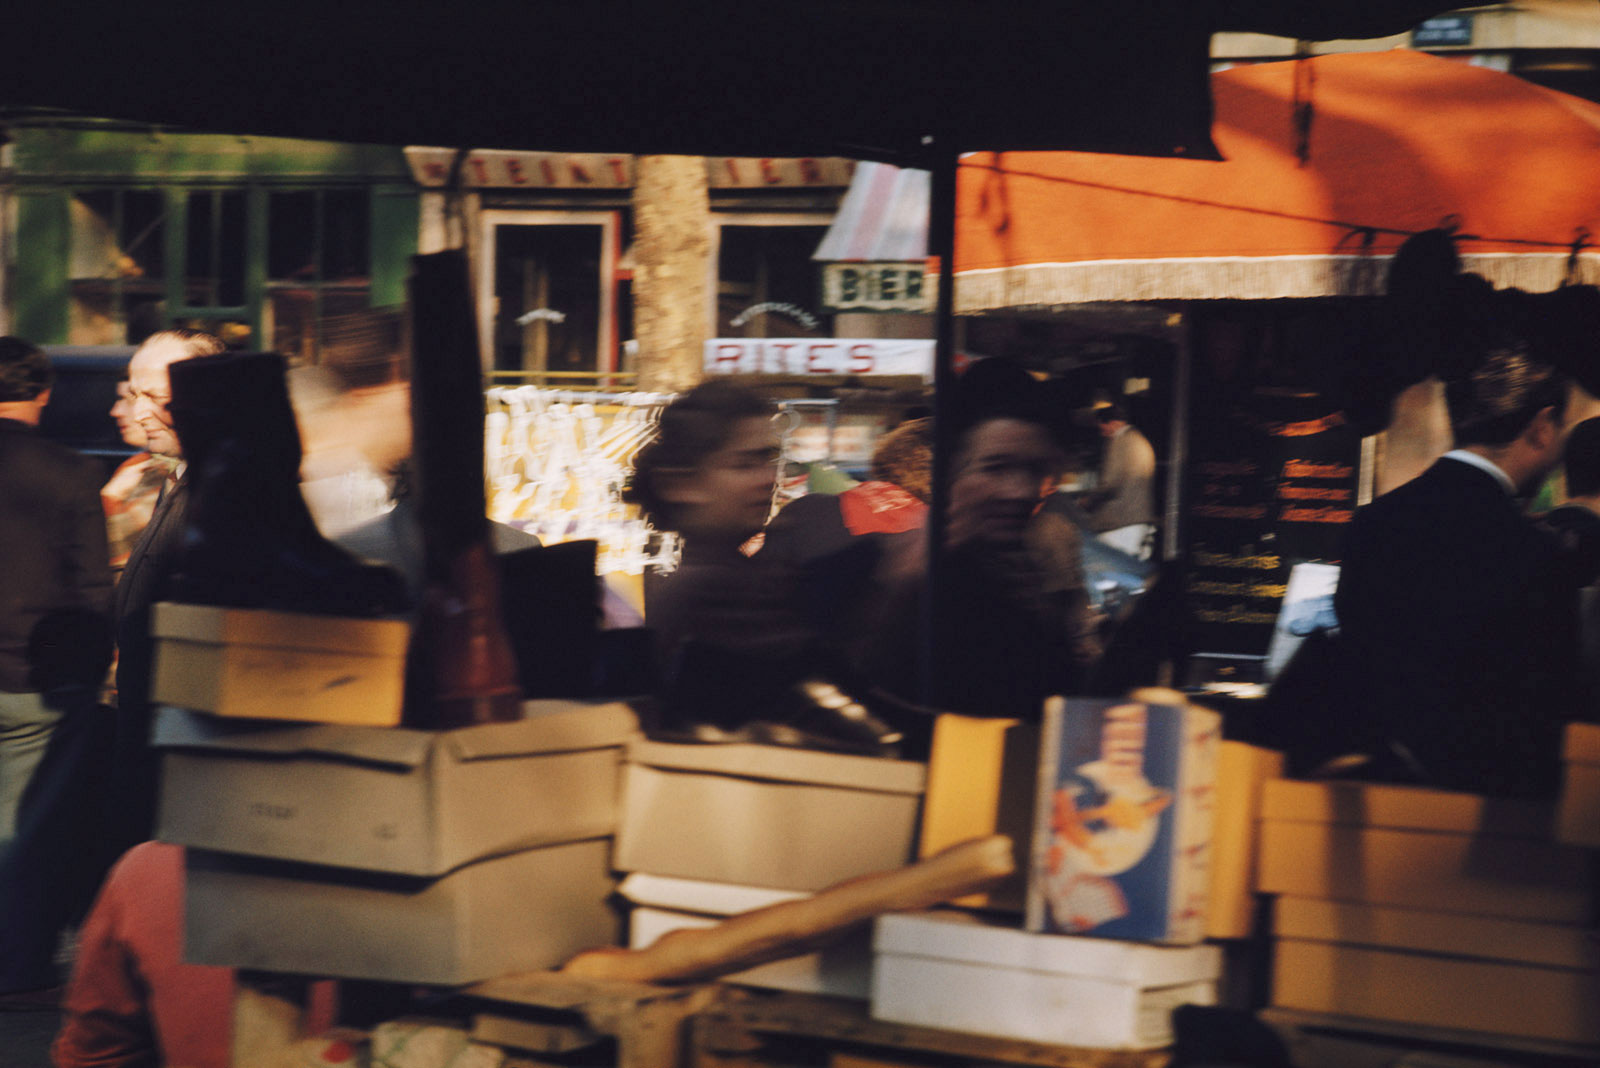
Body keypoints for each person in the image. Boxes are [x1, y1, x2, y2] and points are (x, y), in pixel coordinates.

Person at [1332, 336, 1586, 797]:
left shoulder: (1373, 524)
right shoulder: (1533, 552)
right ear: (1543, 426)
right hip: (1489, 821)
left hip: (1369, 800)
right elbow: (1547, 709)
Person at [857, 358, 1090, 722]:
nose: (1021, 491)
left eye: (1035, 470)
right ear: (950, 469)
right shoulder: (902, 570)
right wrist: (909, 582)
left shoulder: (1022, 568)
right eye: (996, 468)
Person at [0, 336, 115, 1000]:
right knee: (25, 831)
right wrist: (91, 671)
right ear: (44, 394)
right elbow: (94, 591)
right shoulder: (72, 473)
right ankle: (19, 966)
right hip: (38, 686)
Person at [104, 328, 226, 856]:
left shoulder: (224, 495)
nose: (139, 410)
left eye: (156, 395)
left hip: (181, 757)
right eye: (134, 393)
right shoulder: (174, 479)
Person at [101, 377, 172, 576]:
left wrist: (109, 498)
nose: (116, 411)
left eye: (127, 400)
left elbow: (104, 547)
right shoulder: (138, 466)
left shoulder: (166, 472)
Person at [1079, 401, 1156, 557]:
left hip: (1119, 523)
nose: (1103, 433)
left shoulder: (1120, 441)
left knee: (1109, 572)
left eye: (1103, 428)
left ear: (1113, 424)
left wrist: (1087, 501)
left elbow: (1110, 482)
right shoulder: (1140, 441)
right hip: (1137, 521)